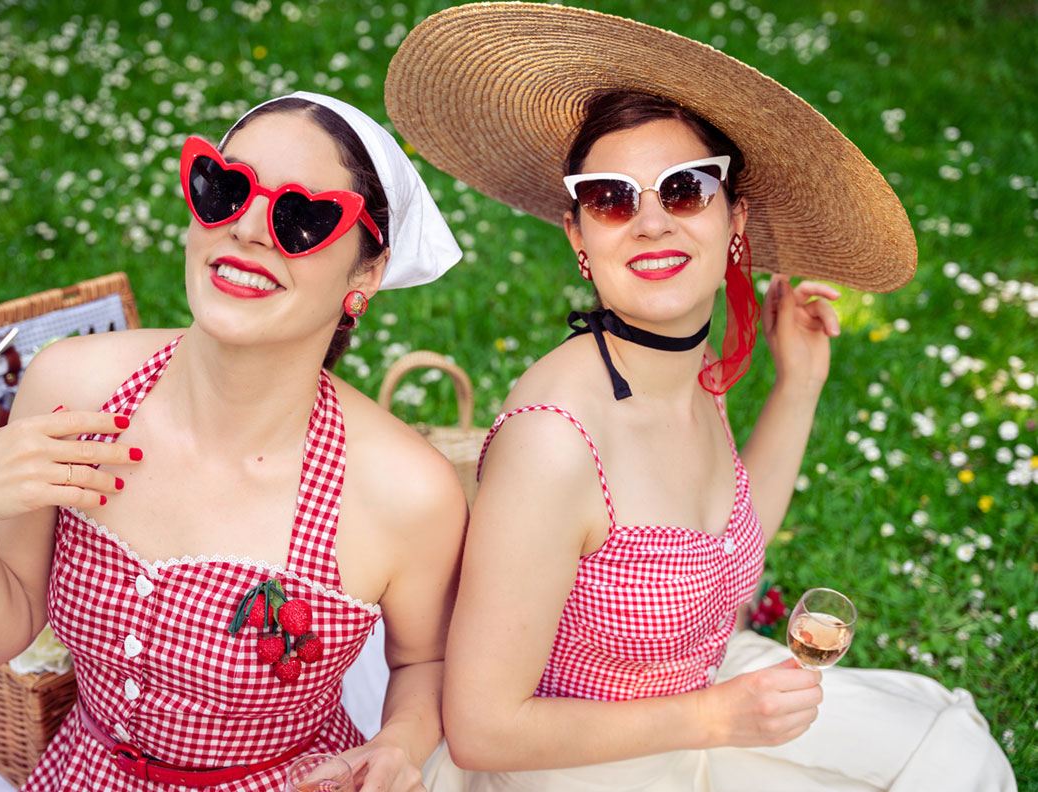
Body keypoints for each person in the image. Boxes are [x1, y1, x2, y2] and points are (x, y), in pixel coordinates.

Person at [384, 4, 1017, 791]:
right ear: (580, 239)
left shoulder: (687, 369)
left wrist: (800, 385)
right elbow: (482, 728)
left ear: (734, 219)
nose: (650, 222)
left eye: (684, 189)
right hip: (578, 762)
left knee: (954, 760)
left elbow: (728, 564)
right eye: (613, 198)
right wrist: (714, 718)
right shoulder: (556, 438)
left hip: (703, 699)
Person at [0, 91, 467, 792]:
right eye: (225, 187)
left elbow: (425, 662)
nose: (245, 228)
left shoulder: (405, 490)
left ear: (365, 275)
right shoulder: (74, 387)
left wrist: (398, 743)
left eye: (301, 218)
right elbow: (1, 634)